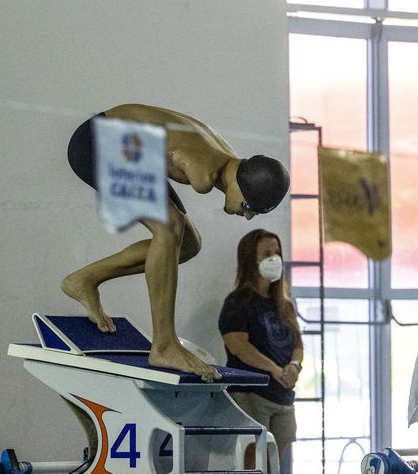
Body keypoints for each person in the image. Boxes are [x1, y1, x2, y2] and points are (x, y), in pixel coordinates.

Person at [62, 104, 290, 382]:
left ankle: (84, 279)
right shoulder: (203, 172)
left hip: (127, 145)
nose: (246, 215)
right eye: (247, 207)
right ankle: (164, 344)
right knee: (169, 229)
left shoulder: (225, 159)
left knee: (189, 244)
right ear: (243, 186)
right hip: (98, 142)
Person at [219, 229, 303, 473]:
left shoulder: (284, 304)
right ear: (250, 260)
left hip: (284, 397)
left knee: (274, 464)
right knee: (252, 464)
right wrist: (275, 370)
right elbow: (238, 346)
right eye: (267, 253)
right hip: (252, 396)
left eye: (277, 252)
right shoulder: (237, 302)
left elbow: (297, 345)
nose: (274, 258)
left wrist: (294, 367)